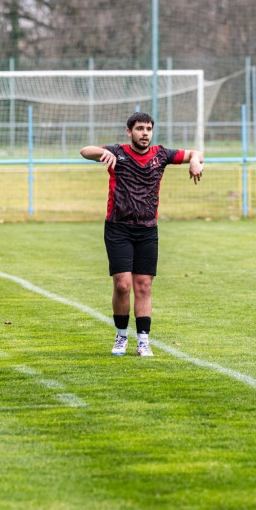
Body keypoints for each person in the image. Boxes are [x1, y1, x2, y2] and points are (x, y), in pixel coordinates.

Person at [80, 112, 203, 357]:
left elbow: (193, 152)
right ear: (129, 132)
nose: (144, 133)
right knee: (123, 284)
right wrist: (101, 153)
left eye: (148, 128)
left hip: (147, 229)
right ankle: (121, 336)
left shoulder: (161, 154)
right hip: (118, 227)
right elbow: (85, 151)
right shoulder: (118, 151)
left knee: (144, 285)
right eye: (139, 129)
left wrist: (195, 161)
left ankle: (143, 340)